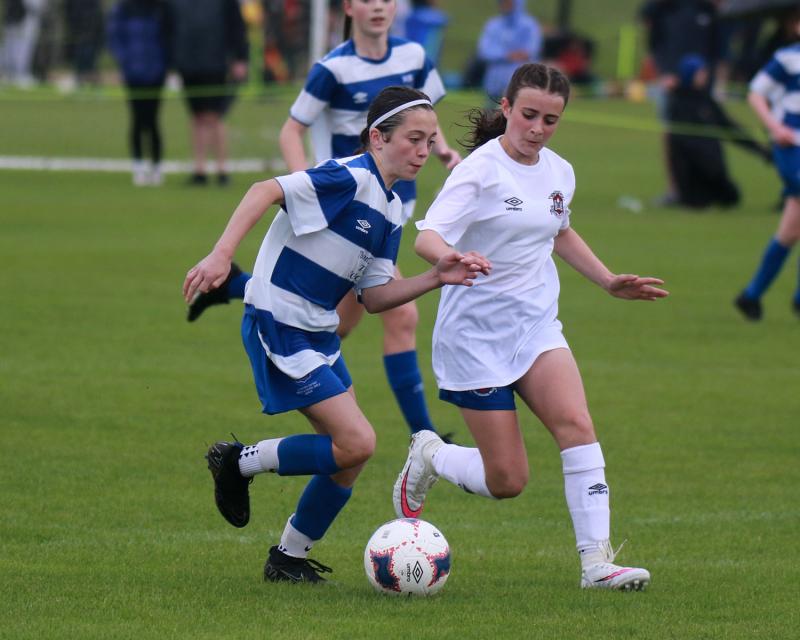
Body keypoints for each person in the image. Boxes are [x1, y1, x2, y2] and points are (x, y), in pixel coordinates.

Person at [183, 87, 490, 583]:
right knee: (357, 442)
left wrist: (436, 277)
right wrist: (222, 255)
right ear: (377, 137)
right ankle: (239, 462)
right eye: (413, 139)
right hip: (280, 325)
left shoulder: (390, 208)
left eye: (429, 141)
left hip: (318, 332)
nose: (423, 151)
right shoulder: (347, 176)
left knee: (347, 457)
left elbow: (375, 296)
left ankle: (288, 558)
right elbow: (265, 189)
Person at [392, 63, 669, 591]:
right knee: (508, 481)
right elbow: (427, 236)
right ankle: (431, 453)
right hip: (474, 338)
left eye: (550, 119)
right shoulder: (478, 170)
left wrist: (608, 280)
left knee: (577, 425)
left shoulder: (559, 171)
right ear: (506, 108)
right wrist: (453, 257)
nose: (538, 128)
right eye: (528, 115)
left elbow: (559, 230)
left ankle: (596, 564)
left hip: (536, 326)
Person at [187, 0, 462, 443]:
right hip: (345, 205)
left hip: (391, 206)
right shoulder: (332, 69)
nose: (378, 7)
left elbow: (421, 114)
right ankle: (424, 437)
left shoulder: (413, 57)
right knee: (402, 317)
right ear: (349, 6)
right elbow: (290, 130)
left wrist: (441, 148)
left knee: (344, 320)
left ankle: (235, 287)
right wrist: (306, 199)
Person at [734, 41, 800, 321]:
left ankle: (751, 295)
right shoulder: (788, 57)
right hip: (791, 148)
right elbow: (755, 93)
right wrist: (775, 127)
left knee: (791, 228)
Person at [666, 54, 771, 209]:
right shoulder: (678, 103)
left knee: (731, 197)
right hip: (693, 173)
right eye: (700, 72)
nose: (704, 76)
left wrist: (759, 150)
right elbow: (682, 145)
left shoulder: (706, 99)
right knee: (698, 203)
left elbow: (729, 127)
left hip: (715, 172)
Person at [170, 0, 249, 186]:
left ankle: (222, 169)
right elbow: (170, 27)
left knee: (215, 116)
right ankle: (200, 170)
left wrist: (240, 57)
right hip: (188, 64)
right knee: (196, 116)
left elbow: (237, 26)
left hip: (216, 63)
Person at [107, 0, 174, 186]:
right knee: (137, 119)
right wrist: (126, 61)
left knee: (153, 119)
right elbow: (115, 36)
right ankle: (138, 165)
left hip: (156, 71)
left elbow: (169, 36)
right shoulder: (124, 8)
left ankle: (156, 166)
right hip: (133, 72)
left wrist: (165, 64)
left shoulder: (161, 7)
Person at [477, 0, 542, 102]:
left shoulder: (529, 25)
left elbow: (531, 50)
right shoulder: (493, 25)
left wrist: (512, 55)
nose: (505, 5)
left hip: (520, 80)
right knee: (489, 115)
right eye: (502, 2)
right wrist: (506, 55)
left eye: (509, 2)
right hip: (494, 81)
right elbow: (484, 51)